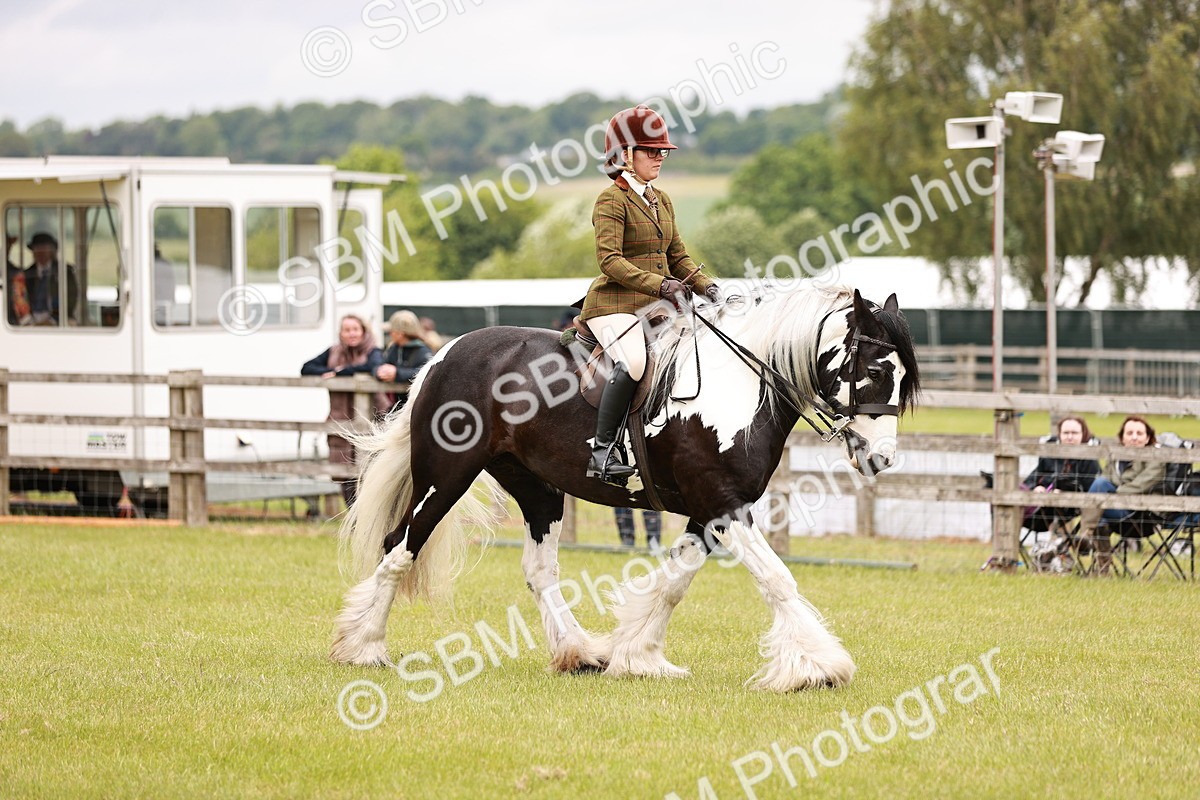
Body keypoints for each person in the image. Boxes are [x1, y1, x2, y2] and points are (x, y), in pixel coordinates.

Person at [580, 103, 720, 484]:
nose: (659, 157)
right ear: (625, 155)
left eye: (662, 151)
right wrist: (660, 285)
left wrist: (711, 289)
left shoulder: (663, 199)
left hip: (655, 305)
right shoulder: (612, 199)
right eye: (650, 150)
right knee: (635, 362)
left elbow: (677, 256)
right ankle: (603, 450)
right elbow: (610, 260)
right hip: (615, 303)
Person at [301, 314, 386, 507]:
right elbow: (306, 367)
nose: (351, 334)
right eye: (346, 330)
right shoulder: (333, 351)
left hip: (371, 419)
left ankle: (370, 516)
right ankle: (353, 519)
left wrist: (338, 373)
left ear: (363, 331)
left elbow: (371, 367)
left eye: (355, 329)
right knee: (342, 471)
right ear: (341, 333)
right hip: (340, 420)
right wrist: (325, 372)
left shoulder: (374, 351)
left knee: (370, 471)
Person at [1078, 415, 1168, 573]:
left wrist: (1114, 495)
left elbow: (1143, 484)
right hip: (1114, 510)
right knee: (1099, 508)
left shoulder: (1155, 457)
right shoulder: (1116, 457)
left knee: (1098, 495)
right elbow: (1105, 479)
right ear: (1122, 438)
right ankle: (1103, 569)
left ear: (1148, 438)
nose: (1134, 437)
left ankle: (1085, 533)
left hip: (1140, 513)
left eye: (1139, 434)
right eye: (1129, 433)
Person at [1021, 416, 1101, 535]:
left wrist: (1066, 493)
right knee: (1016, 493)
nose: (1069, 437)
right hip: (1039, 509)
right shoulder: (1049, 453)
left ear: (1082, 434)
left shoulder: (1090, 459)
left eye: (1074, 433)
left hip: (1068, 509)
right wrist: (1037, 487)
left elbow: (1090, 490)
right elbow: (1034, 478)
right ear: (1060, 434)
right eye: (1066, 433)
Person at [375, 310, 433, 411]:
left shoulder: (423, 351)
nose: (390, 334)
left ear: (400, 334)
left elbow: (426, 373)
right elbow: (380, 364)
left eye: (391, 331)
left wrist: (397, 373)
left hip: (418, 407)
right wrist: (379, 372)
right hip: (399, 405)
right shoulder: (394, 348)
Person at [22, 232, 79, 325]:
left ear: (52, 251)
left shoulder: (65, 271)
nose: (41, 252)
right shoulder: (27, 274)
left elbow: (71, 299)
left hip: (60, 319)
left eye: (45, 248)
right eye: (37, 248)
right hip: (32, 319)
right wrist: (29, 319)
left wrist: (53, 320)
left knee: (71, 324)